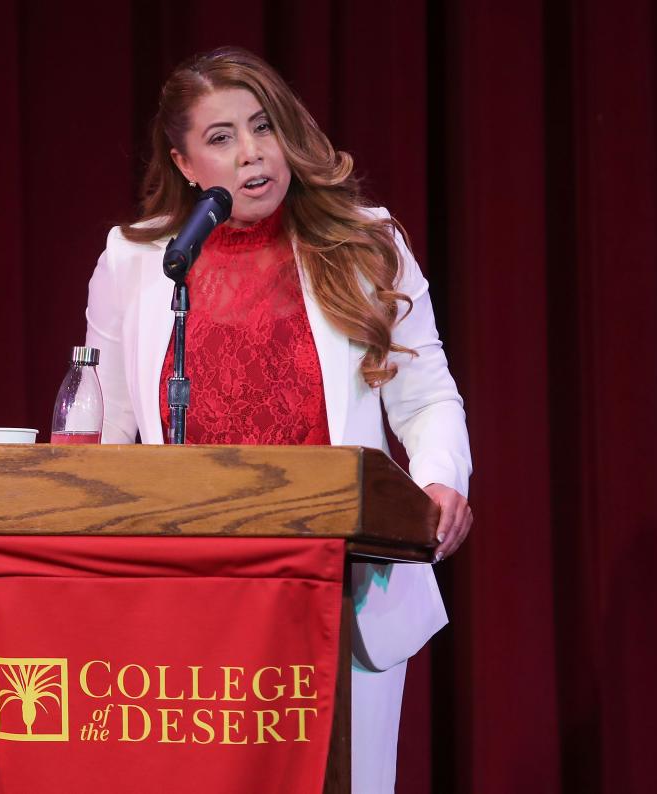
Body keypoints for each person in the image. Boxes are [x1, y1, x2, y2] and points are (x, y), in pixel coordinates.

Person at [85, 46, 472, 794]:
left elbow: (425, 397)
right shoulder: (135, 262)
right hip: (194, 598)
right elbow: (108, 432)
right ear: (185, 162)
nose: (252, 153)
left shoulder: (364, 242)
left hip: (341, 587)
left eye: (263, 127)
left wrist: (439, 482)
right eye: (221, 137)